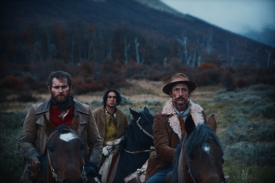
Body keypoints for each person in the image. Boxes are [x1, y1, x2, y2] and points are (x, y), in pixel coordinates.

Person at [18, 70, 103, 182]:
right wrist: (39, 160)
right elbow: (24, 141)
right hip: (42, 172)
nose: (60, 91)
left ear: (70, 87)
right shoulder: (35, 111)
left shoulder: (85, 111)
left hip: (79, 172)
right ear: (49, 89)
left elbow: (96, 142)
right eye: (56, 87)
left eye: (64, 87)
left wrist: (92, 164)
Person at [145, 73, 207, 183]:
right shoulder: (161, 117)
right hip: (169, 164)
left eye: (184, 90)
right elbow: (161, 148)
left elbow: (206, 142)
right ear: (170, 93)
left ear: (189, 92)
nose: (180, 94)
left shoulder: (200, 114)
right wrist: (185, 155)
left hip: (197, 163)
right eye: (176, 90)